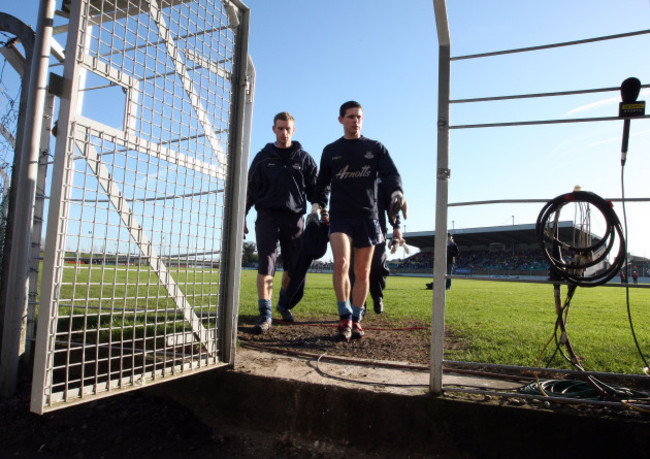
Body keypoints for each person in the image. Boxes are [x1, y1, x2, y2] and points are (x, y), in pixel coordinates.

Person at [312, 101, 407, 341]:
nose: (356, 120)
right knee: (342, 262)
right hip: (340, 216)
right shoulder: (331, 150)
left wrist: (396, 192)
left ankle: (356, 319)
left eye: (359, 117)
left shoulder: (375, 148)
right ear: (341, 119)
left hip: (368, 216)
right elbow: (322, 183)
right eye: (351, 116)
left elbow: (391, 174)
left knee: (363, 271)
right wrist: (317, 205)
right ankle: (343, 316)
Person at [245, 111, 318, 334]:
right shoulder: (263, 157)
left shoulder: (304, 159)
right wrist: (242, 216)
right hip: (267, 216)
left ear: (293, 131)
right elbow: (249, 189)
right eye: (280, 128)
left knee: (294, 268)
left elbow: (316, 189)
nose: (284, 132)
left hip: (295, 218)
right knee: (267, 261)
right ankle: (265, 314)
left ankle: (283, 303)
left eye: (288, 128)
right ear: (274, 130)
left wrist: (319, 211)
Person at [349, 179, 403, 314]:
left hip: (377, 230)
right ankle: (358, 307)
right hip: (353, 230)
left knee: (377, 267)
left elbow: (392, 206)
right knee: (353, 270)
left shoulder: (380, 180)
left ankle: (377, 296)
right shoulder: (348, 174)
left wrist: (396, 226)